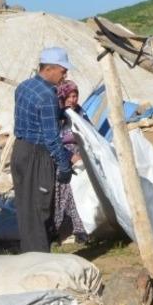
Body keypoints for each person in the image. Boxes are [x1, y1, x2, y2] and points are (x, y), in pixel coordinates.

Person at [11, 46, 74, 253]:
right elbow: (51, 137)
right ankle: (41, 262)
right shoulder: (48, 95)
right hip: (37, 155)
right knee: (40, 208)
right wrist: (64, 165)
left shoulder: (23, 86)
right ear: (50, 68)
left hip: (20, 150)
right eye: (62, 71)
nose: (64, 76)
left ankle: (29, 256)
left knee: (25, 208)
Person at [53, 80, 88, 244]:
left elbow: (89, 132)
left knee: (80, 193)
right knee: (66, 194)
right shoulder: (57, 115)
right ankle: (60, 229)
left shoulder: (80, 112)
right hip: (63, 158)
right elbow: (53, 141)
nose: (73, 100)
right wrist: (70, 157)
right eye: (70, 96)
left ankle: (81, 228)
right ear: (63, 96)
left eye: (76, 96)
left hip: (82, 158)